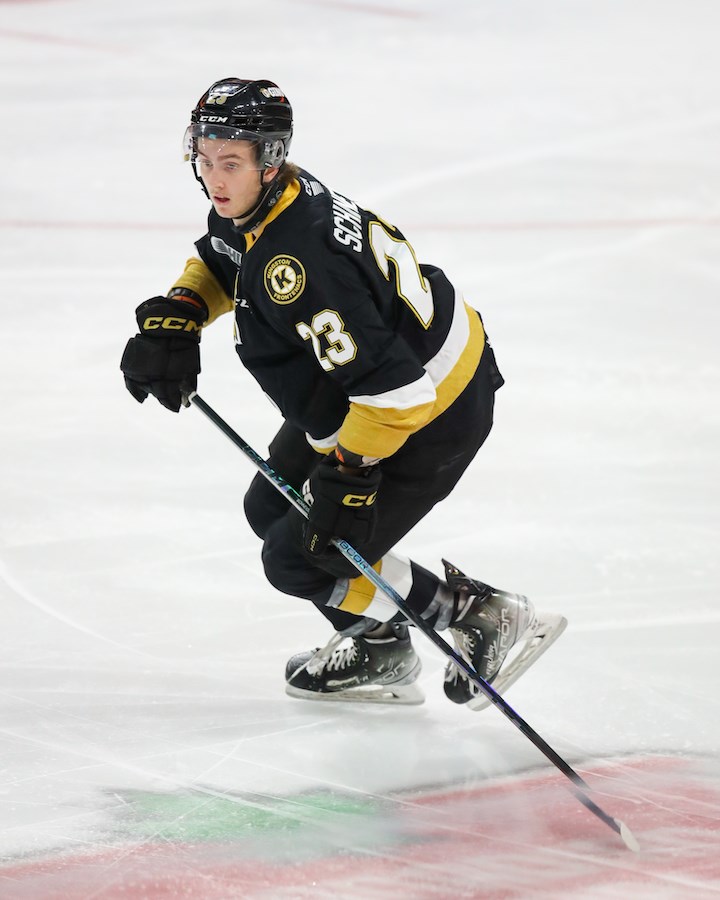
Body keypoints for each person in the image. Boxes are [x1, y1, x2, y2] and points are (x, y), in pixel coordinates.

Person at [121, 77, 566, 708]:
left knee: (300, 557)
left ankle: (474, 613)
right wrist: (183, 311)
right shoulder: (266, 203)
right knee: (270, 509)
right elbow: (225, 261)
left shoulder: (300, 261)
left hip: (433, 410)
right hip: (375, 393)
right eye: (204, 157)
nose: (214, 178)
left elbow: (398, 394)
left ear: (269, 160)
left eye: (230, 162)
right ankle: (379, 644)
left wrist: (351, 472)